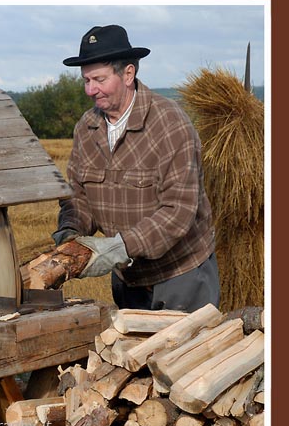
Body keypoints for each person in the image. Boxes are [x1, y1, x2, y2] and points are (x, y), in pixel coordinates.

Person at [53, 24, 220, 312]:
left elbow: (178, 211)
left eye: (99, 79)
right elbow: (79, 197)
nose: (90, 90)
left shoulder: (170, 124)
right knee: (131, 355)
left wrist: (119, 248)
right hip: (128, 279)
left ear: (128, 74)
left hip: (181, 276)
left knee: (184, 355)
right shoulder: (86, 129)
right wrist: (70, 232)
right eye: (86, 80)